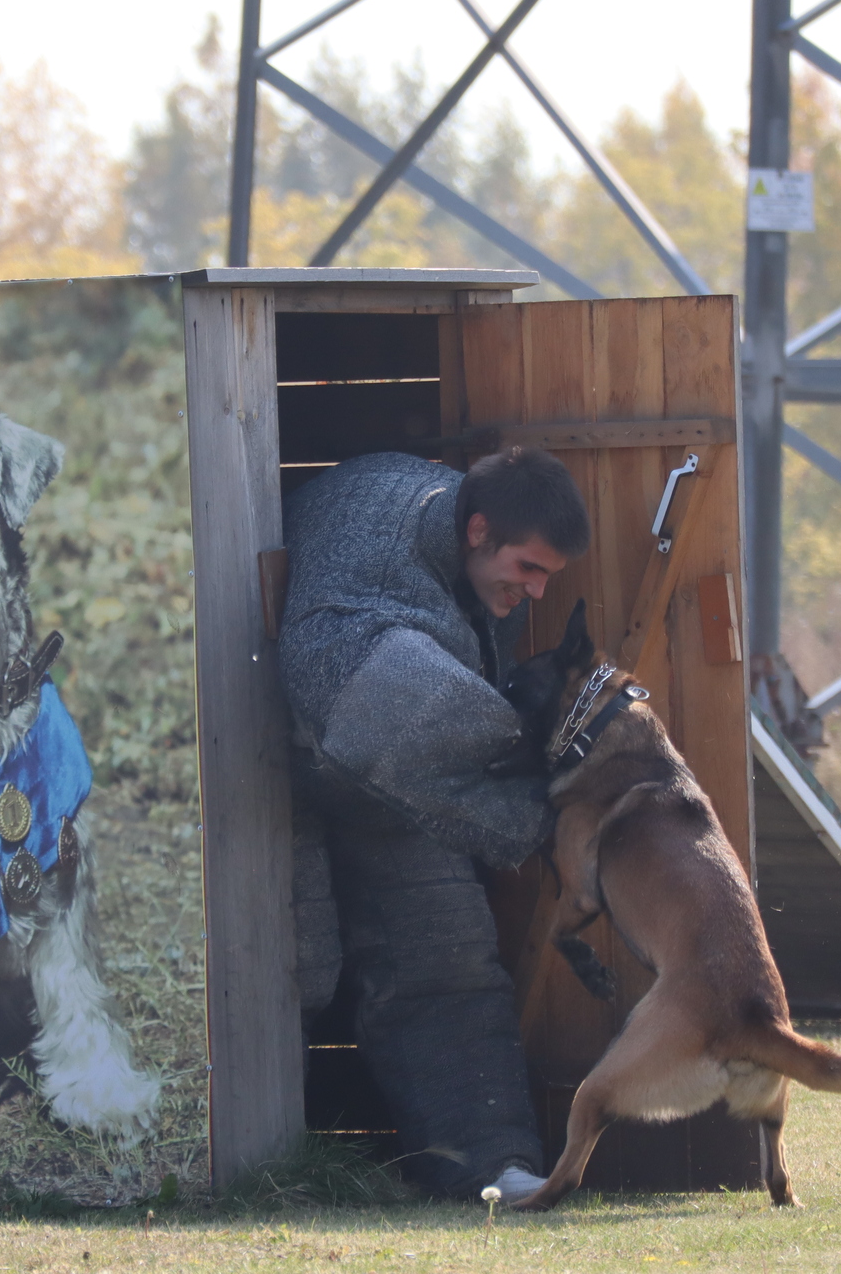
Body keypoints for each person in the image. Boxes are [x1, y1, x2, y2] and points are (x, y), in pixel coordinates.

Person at [279, 446, 591, 1201]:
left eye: (548, 575)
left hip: (397, 782)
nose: (538, 593)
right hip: (301, 761)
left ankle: (492, 1169)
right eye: (528, 568)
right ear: (477, 529)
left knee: (449, 968)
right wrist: (538, 813)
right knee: (296, 976)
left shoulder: (472, 545)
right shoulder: (371, 575)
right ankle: (277, 1159)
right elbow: (346, 697)